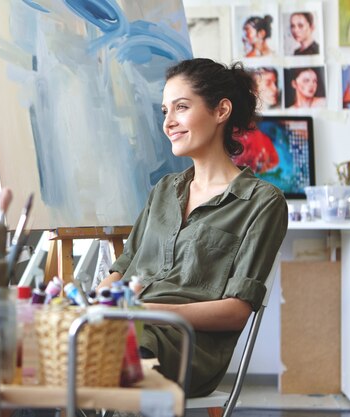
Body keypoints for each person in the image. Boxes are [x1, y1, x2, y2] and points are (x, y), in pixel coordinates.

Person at [97, 58, 288, 397]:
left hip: (183, 348)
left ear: (221, 111)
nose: (169, 122)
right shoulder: (164, 190)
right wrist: (103, 299)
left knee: (113, 353)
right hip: (126, 326)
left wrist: (144, 311)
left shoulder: (262, 202)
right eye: (164, 111)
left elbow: (236, 311)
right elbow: (124, 266)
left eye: (181, 107)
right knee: (32, 344)